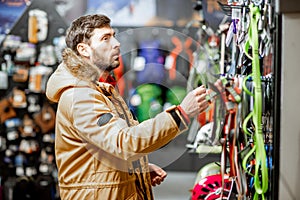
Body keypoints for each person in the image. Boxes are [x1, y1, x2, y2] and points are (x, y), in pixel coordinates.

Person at [46, 14, 209, 200]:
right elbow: (123, 143)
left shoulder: (102, 88)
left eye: (113, 35)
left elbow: (105, 146)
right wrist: (181, 114)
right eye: (105, 38)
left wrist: (136, 169)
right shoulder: (80, 96)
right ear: (84, 50)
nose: (116, 43)